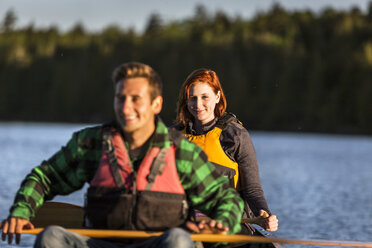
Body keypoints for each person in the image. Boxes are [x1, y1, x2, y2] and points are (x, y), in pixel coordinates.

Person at [0, 62, 244, 248]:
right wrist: (21, 211)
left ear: (156, 104)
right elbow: (45, 178)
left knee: (179, 240)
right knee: (51, 236)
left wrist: (221, 224)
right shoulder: (92, 144)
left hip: (156, 244)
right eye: (120, 98)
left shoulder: (181, 153)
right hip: (100, 245)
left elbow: (226, 199)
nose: (125, 107)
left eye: (135, 99)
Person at [172, 68, 278, 237]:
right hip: (186, 226)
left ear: (217, 97)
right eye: (192, 98)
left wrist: (264, 214)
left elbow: (253, 191)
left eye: (204, 97)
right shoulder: (173, 137)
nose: (198, 104)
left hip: (229, 225)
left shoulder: (236, 136)